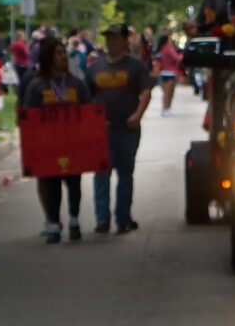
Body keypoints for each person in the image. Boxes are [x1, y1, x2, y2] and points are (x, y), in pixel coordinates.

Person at [21, 38, 91, 243]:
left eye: (64, 53)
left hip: (72, 143)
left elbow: (88, 111)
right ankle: (53, 223)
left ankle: (74, 220)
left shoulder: (76, 84)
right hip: (49, 145)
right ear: (48, 57)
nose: (63, 57)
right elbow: (29, 116)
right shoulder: (37, 86)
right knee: (51, 184)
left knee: (74, 183)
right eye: (58, 53)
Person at [85, 24, 150, 235]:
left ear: (124, 41)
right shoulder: (96, 66)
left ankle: (123, 218)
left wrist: (138, 114)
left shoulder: (135, 66)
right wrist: (93, 119)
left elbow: (146, 92)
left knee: (125, 174)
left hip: (127, 129)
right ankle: (102, 219)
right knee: (101, 174)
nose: (111, 42)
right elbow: (88, 96)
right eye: (108, 38)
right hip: (103, 130)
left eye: (114, 38)